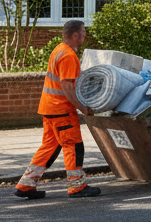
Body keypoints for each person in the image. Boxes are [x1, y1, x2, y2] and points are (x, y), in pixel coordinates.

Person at [14, 20, 101, 199]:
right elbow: (67, 86)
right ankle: (77, 186)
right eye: (83, 32)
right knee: (73, 146)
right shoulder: (68, 55)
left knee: (49, 147)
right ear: (75, 35)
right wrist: (82, 108)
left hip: (49, 108)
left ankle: (26, 184)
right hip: (62, 111)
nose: (85, 34)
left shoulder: (58, 49)